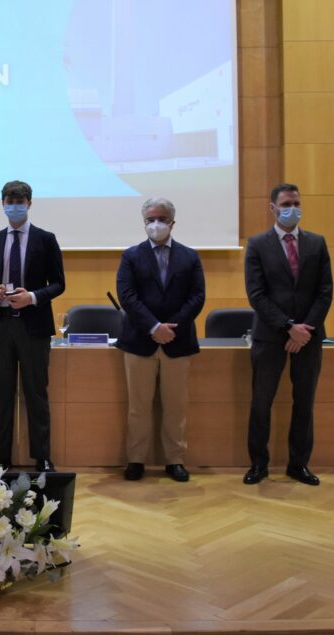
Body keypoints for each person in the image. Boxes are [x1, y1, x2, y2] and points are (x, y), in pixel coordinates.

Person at [243, 183, 333, 486]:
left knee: (304, 402)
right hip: (270, 336)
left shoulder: (317, 243)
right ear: (273, 208)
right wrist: (288, 327)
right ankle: (259, 465)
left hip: (308, 337)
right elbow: (256, 294)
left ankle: (299, 465)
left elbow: (325, 292)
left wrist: (304, 329)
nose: (292, 208)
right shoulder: (257, 244)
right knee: (261, 403)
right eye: (285, 204)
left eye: (296, 203)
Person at [0, 180, 65, 472]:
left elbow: (59, 283)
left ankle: (42, 456)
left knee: (36, 393)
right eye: (10, 201)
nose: (14, 206)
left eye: (20, 201)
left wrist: (33, 297)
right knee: (1, 395)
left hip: (34, 327)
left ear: (29, 204)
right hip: (0, 327)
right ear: (2, 204)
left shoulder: (45, 239)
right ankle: (1, 457)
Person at [115, 197, 205, 482]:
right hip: (139, 341)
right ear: (144, 223)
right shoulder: (131, 256)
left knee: (175, 407)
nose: (156, 224)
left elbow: (197, 297)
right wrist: (154, 327)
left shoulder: (190, 257)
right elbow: (127, 296)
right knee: (138, 407)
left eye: (162, 219)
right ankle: (136, 460)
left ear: (172, 222)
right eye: (150, 219)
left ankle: (175, 460)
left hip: (178, 342)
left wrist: (170, 328)